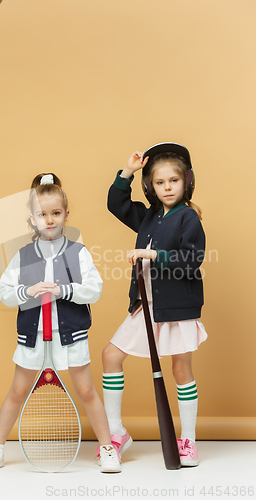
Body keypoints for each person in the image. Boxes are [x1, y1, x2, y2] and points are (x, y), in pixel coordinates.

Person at [0, 173, 121, 473]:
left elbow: (94, 289)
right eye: (43, 215)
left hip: (71, 338)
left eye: (56, 213)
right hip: (32, 339)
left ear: (66, 215)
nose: (50, 220)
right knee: (17, 392)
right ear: (32, 219)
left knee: (87, 392)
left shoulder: (77, 253)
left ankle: (108, 448)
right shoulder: (23, 256)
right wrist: (27, 291)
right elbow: (3, 292)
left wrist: (63, 290)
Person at [101, 143, 207, 467]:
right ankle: (116, 433)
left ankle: (187, 441)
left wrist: (154, 255)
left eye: (173, 181)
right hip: (144, 306)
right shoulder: (149, 216)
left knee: (180, 369)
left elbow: (192, 260)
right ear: (151, 186)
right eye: (160, 182)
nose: (167, 188)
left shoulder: (188, 217)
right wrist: (128, 172)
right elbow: (116, 205)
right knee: (111, 356)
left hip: (176, 309)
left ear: (186, 181)